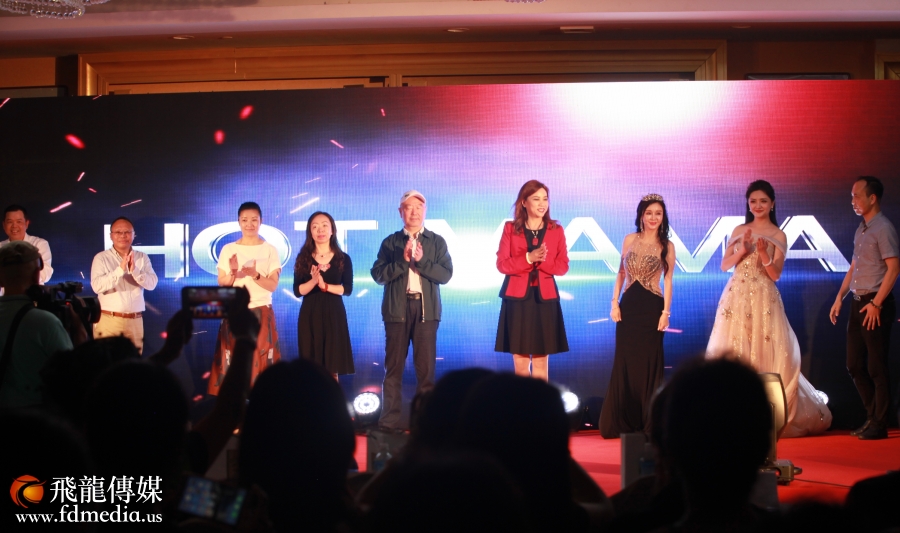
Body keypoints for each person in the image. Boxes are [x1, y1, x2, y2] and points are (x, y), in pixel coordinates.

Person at [707, 180, 831, 437]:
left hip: (764, 298)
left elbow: (775, 274)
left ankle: (766, 412)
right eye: (753, 201)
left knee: (765, 351)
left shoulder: (778, 234)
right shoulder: (740, 229)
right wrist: (742, 250)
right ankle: (734, 411)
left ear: (772, 204)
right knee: (735, 348)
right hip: (737, 296)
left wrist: (763, 253)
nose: (758, 206)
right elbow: (724, 265)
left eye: (763, 201)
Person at [371, 190, 453, 429]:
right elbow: (378, 275)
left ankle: (425, 424)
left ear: (425, 211)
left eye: (419, 207)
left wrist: (422, 261)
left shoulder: (436, 241)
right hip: (397, 310)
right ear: (401, 212)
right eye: (409, 207)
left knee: (426, 371)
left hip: (426, 311)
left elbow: (445, 275)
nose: (414, 212)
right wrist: (403, 261)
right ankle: (388, 424)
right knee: (393, 369)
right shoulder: (390, 242)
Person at [599, 194, 675, 438]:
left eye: (658, 213)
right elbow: (621, 273)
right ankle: (623, 420)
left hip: (652, 308)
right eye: (649, 213)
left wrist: (665, 313)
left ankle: (648, 421)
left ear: (663, 217)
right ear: (641, 215)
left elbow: (668, 280)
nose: (653, 218)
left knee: (649, 364)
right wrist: (614, 303)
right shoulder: (629, 239)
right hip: (628, 308)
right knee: (626, 362)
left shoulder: (667, 245)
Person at [829, 176, 899, 440]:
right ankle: (872, 417)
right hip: (858, 303)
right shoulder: (861, 229)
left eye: (857, 195)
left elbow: (894, 268)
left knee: (876, 367)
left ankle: (880, 423)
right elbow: (854, 267)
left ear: (872, 198)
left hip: (876, 304)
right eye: (852, 196)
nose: (853, 201)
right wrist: (840, 297)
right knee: (854, 364)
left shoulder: (884, 228)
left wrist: (877, 303)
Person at [495, 180, 569, 381]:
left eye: (545, 199)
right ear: (524, 202)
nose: (542, 204)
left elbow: (562, 266)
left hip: (545, 300)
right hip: (517, 299)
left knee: (540, 360)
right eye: (536, 199)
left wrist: (542, 261)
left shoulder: (556, 230)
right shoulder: (510, 228)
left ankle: (540, 401)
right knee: (520, 361)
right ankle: (522, 401)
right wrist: (528, 258)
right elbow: (502, 264)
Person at [208, 201, 281, 395]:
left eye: (254, 220)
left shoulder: (270, 249)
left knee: (260, 356)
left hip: (261, 310)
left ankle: (260, 403)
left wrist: (255, 275)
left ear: (261, 221)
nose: (249, 224)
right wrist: (233, 273)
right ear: (239, 222)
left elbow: (272, 285)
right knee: (234, 357)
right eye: (245, 220)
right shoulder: (228, 249)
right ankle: (234, 407)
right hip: (235, 311)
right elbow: (223, 283)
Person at [0, 241, 83, 408]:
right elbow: (72, 375)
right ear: (36, 276)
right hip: (35, 418)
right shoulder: (45, 322)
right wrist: (80, 332)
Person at [293, 211, 354, 381]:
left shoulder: (343, 258)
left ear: (332, 230)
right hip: (310, 314)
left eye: (324, 225)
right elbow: (297, 290)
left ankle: (332, 398)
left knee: (332, 367)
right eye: (315, 227)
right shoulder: (303, 258)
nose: (320, 230)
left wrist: (325, 286)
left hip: (334, 314)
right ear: (310, 232)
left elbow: (347, 289)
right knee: (311, 368)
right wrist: (313, 281)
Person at [90, 216, 158, 354]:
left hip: (135, 320)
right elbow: (97, 286)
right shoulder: (101, 258)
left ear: (134, 235)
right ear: (111, 235)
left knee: (133, 363)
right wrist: (120, 270)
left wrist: (135, 271)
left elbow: (152, 284)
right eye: (118, 232)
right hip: (109, 320)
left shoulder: (142, 257)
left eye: (127, 232)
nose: (123, 235)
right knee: (107, 363)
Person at [1, 204, 52, 284]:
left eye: (19, 222)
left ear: (26, 224)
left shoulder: (39, 244)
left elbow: (45, 274)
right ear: (4, 225)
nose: (14, 226)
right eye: (10, 222)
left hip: (32, 292)